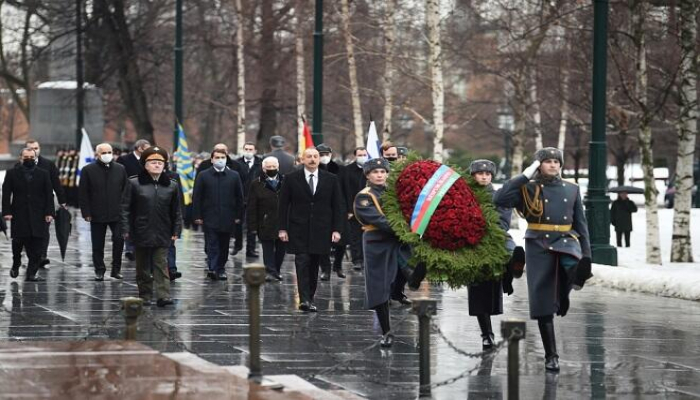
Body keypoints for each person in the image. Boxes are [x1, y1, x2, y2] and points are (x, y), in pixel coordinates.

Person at [494, 147, 592, 372]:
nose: (553, 165)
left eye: (556, 161)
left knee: (573, 265)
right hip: (538, 242)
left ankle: (567, 290)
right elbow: (500, 198)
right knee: (542, 302)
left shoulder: (572, 188)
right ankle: (551, 355)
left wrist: (587, 254)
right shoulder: (528, 188)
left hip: (566, 239)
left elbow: (581, 224)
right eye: (547, 161)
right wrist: (525, 175)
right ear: (539, 165)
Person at [354, 158, 426, 347]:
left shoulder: (393, 194)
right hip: (376, 242)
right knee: (379, 287)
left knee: (408, 267)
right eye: (375, 172)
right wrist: (405, 230)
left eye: (383, 172)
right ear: (368, 175)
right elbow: (377, 219)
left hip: (397, 241)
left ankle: (413, 278)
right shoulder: (364, 196)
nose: (379, 175)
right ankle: (386, 332)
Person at [468, 159, 525, 349]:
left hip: (495, 241)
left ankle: (511, 270)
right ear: (473, 175)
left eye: (487, 174)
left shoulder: (500, 195)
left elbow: (503, 223)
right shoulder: (464, 196)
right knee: (477, 292)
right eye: (480, 173)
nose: (484, 177)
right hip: (472, 247)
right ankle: (486, 334)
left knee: (509, 251)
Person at [278, 147, 344, 312]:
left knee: (314, 263)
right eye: (309, 156)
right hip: (298, 227)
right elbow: (283, 205)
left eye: (316, 156)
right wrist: (282, 229)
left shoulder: (331, 179)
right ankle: (304, 299)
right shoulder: (292, 178)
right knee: (302, 261)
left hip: (322, 228)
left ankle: (310, 296)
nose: (313, 159)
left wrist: (337, 229)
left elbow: (338, 206)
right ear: (302, 159)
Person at [121, 146, 182, 307]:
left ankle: (163, 295)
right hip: (141, 230)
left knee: (161, 265)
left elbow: (176, 210)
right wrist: (125, 229)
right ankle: (145, 294)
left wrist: (176, 230)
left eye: (160, 163)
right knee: (143, 266)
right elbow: (125, 207)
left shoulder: (171, 185)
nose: (157, 165)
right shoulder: (134, 183)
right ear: (145, 165)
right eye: (153, 162)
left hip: (163, 231)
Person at [79, 143, 130, 281]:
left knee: (119, 240)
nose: (107, 154)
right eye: (103, 152)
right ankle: (99, 270)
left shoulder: (120, 169)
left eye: (109, 152)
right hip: (97, 212)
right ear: (97, 154)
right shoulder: (88, 170)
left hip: (117, 213)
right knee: (98, 244)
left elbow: (126, 191)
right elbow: (83, 193)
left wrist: (125, 210)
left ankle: (116, 269)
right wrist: (86, 212)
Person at [2, 148, 54, 281]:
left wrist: (49, 212)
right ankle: (16, 262)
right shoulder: (12, 173)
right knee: (18, 242)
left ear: (36, 158)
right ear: (21, 158)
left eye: (32, 157)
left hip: (39, 214)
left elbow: (49, 194)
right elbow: (7, 194)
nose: (29, 159)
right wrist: (7, 212)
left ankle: (32, 272)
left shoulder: (43, 174)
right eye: (26, 157)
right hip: (19, 213)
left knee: (37, 245)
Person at [193, 148, 244, 281]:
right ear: (212, 159)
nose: (220, 160)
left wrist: (238, 215)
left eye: (222, 157)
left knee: (224, 244)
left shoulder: (234, 175)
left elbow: (239, 197)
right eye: (217, 157)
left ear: (226, 159)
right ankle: (213, 268)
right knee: (212, 243)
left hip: (228, 216)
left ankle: (220, 268)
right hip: (209, 215)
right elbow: (197, 196)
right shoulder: (204, 175)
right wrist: (197, 215)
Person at [197, 143, 247, 254]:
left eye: (223, 153)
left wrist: (239, 213)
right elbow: (198, 193)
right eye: (217, 153)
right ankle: (212, 264)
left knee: (224, 241)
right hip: (209, 210)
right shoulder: (204, 167)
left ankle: (220, 264)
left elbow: (241, 189)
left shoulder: (235, 167)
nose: (220, 158)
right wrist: (197, 214)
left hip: (228, 210)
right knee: (211, 240)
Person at [24, 140, 67, 269]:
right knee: (28, 232)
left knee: (43, 231)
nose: (34, 150)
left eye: (36, 148)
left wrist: (62, 200)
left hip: (44, 204)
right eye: (31, 148)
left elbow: (56, 183)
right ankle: (32, 256)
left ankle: (41, 256)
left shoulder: (48, 164)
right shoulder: (20, 165)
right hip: (26, 205)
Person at [380, 141, 410, 305]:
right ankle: (387, 292)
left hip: (407, 223)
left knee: (405, 262)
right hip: (388, 222)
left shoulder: (411, 174)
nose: (401, 160)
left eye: (404, 157)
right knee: (389, 262)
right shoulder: (383, 173)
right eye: (399, 157)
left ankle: (398, 291)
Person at [247, 157, 285, 282]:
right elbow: (252, 206)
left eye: (274, 167)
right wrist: (252, 226)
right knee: (267, 248)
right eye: (269, 168)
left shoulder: (286, 181)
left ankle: (276, 270)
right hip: (265, 222)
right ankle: (270, 271)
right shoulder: (256, 184)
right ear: (263, 169)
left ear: (278, 167)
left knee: (281, 249)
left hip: (282, 222)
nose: (272, 169)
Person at [118, 139, 151, 261]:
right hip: (128, 194)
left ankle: (138, 245)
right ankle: (130, 248)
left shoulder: (149, 160)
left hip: (144, 195)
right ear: (140, 148)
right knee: (129, 221)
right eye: (147, 148)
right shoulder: (124, 160)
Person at [316, 143, 346, 280]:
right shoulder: (314, 170)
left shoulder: (340, 169)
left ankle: (338, 265)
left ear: (331, 154)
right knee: (322, 242)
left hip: (340, 207)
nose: (324, 157)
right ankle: (325, 269)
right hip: (321, 209)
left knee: (342, 240)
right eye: (321, 155)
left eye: (326, 154)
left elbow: (346, 189)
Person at [342, 147, 369, 271]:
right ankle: (357, 260)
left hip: (369, 209)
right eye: (360, 154)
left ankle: (367, 259)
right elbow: (345, 191)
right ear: (355, 156)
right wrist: (348, 210)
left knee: (368, 235)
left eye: (364, 154)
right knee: (355, 236)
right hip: (353, 208)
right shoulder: (347, 170)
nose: (362, 156)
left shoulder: (371, 170)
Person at [237, 142, 263, 258]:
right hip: (240, 197)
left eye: (250, 149)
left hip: (254, 198)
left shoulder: (260, 163)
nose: (248, 151)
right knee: (238, 223)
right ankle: (237, 245)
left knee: (252, 225)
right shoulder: (237, 163)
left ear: (255, 151)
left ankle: (251, 249)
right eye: (246, 149)